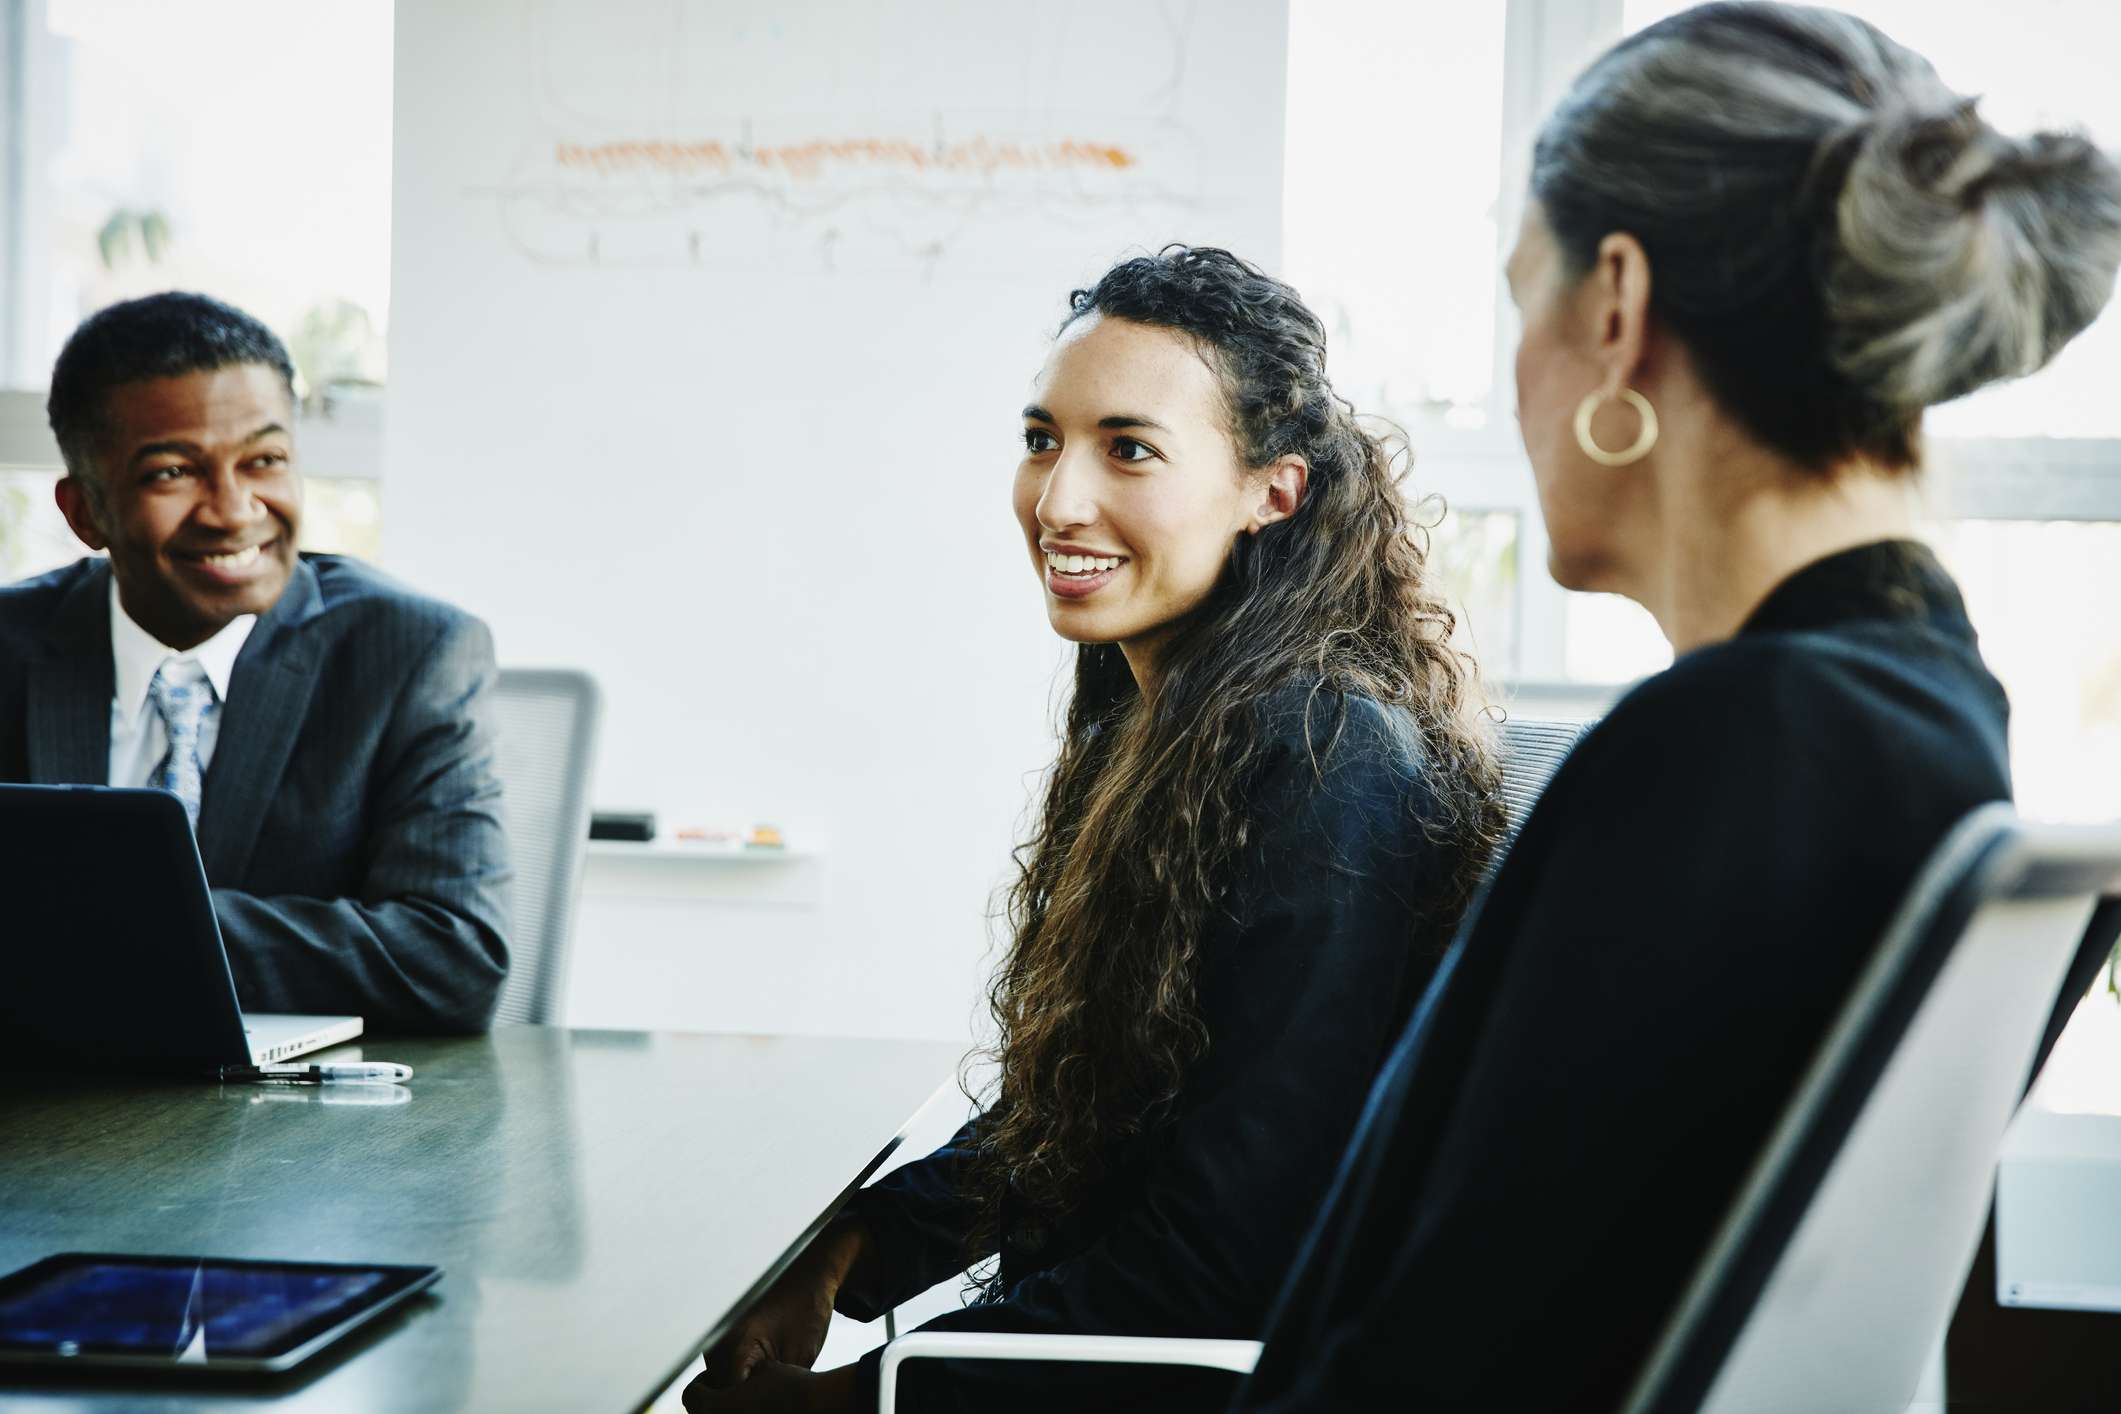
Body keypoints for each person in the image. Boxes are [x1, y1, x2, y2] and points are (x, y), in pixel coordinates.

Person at [1230, 5, 2121, 1409]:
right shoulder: (1922, 707)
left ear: (1616, 308)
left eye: (1520, 293)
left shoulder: (1733, 753)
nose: (1513, 372)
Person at [684, 248, 1504, 1412]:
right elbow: (1093, 1115)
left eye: (1130, 448)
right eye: (1040, 439)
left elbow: (1224, 1256)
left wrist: (868, 1398)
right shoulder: (1151, 710)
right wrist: (854, 1250)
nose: (1059, 500)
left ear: (1274, 488)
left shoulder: (1329, 755)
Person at [0, 292, 511, 1033]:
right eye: (174, 472)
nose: (235, 510)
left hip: (304, 1130)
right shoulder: (12, 647)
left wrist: (108, 924)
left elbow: (451, 958)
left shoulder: (410, 653)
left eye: (264, 460)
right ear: (86, 513)